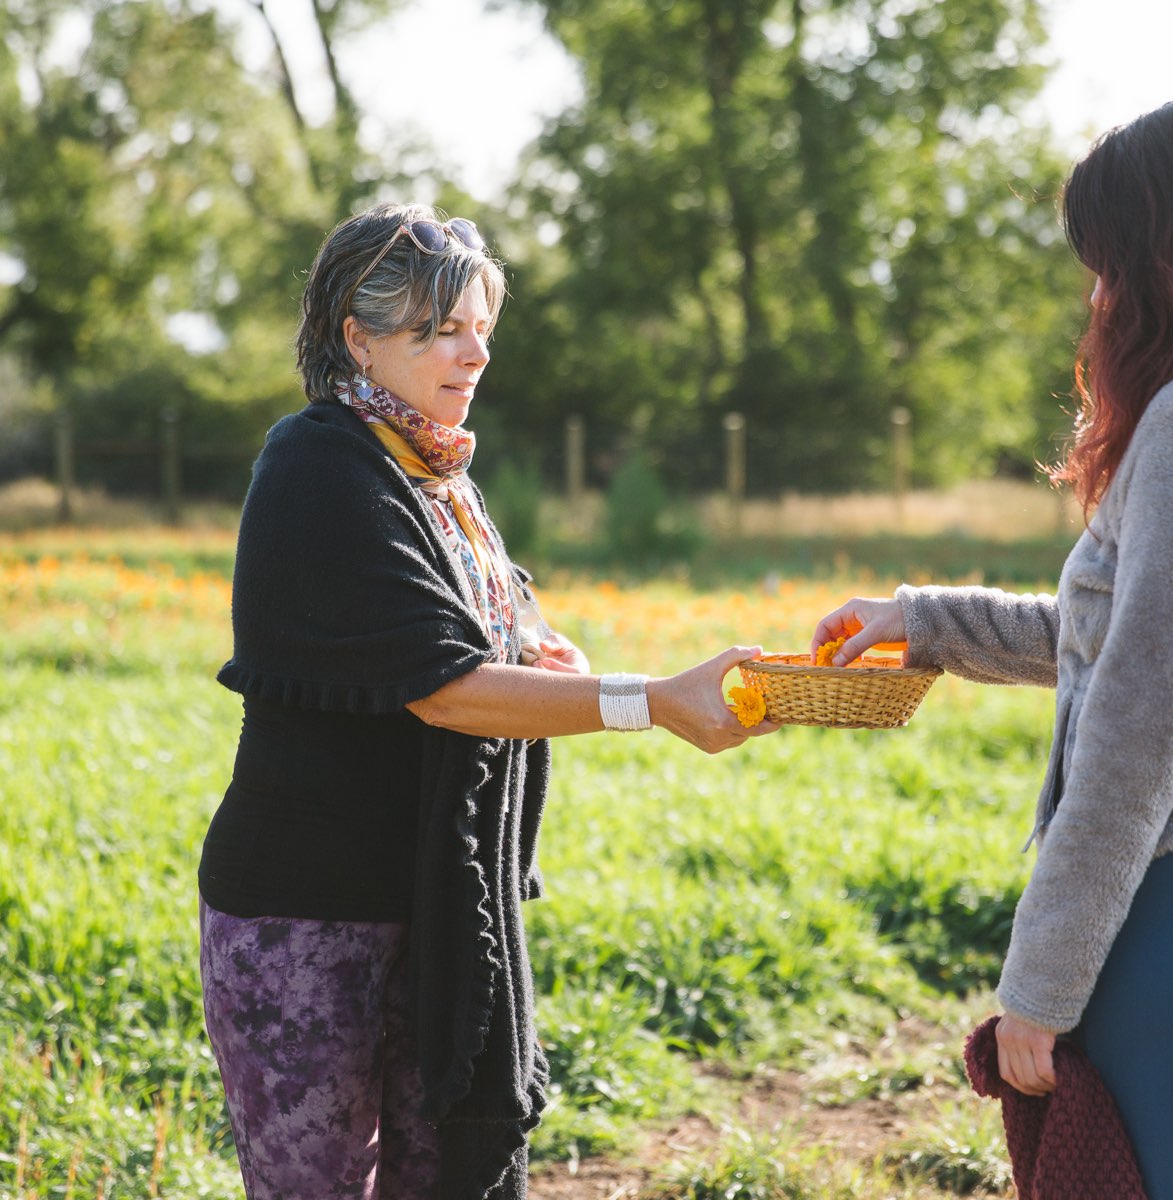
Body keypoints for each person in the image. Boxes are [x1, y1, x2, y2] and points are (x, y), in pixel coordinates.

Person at [813, 99, 1173, 1200]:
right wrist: (927, 621)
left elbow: (1142, 717)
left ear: (1153, 256)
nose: (1093, 297)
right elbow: (1155, 643)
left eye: (1103, 264)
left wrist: (1040, 983)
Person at [198, 202, 774, 1200]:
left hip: (431, 909)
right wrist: (651, 702)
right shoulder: (320, 466)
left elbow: (499, 642)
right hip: (307, 916)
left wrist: (551, 656)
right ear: (358, 337)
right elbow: (445, 691)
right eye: (439, 331)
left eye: (480, 330)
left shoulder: (436, 477)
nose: (472, 356)